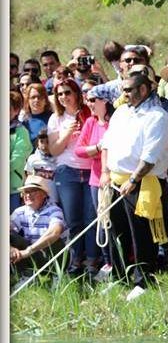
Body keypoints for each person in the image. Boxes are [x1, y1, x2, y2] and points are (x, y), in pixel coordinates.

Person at [100, 72, 168, 301]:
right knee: (115, 232)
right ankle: (119, 277)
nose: (123, 94)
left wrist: (133, 180)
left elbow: (150, 156)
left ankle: (143, 280)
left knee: (141, 235)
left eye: (128, 90)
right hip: (115, 180)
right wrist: (105, 173)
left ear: (143, 90)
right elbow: (107, 143)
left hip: (143, 182)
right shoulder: (121, 112)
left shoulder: (158, 117)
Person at [47, 78, 97, 276]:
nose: (64, 97)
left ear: (76, 93)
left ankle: (92, 261)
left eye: (68, 92)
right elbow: (54, 150)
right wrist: (67, 134)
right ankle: (76, 260)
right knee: (74, 220)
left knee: (91, 218)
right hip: (67, 172)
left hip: (91, 170)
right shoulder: (56, 119)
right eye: (60, 94)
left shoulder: (89, 114)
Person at [74, 84, 114, 274]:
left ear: (105, 101)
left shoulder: (115, 122)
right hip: (97, 179)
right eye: (87, 100)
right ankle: (107, 262)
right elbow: (79, 150)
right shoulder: (90, 123)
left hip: (116, 178)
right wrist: (98, 148)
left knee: (116, 223)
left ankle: (120, 261)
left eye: (92, 100)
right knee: (102, 221)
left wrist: (97, 150)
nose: (89, 104)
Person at [9, 176, 66, 281]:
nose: (28, 195)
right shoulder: (20, 212)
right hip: (31, 254)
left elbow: (55, 232)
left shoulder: (54, 210)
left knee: (54, 240)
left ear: (44, 194)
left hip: (54, 256)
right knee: (10, 236)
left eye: (33, 191)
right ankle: (26, 275)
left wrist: (29, 250)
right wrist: (10, 248)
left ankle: (56, 276)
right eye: (26, 192)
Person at [25, 131, 58, 204]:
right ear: (37, 142)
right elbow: (28, 176)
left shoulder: (58, 159)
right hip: (36, 199)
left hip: (53, 198)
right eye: (41, 142)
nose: (44, 145)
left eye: (47, 142)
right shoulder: (32, 158)